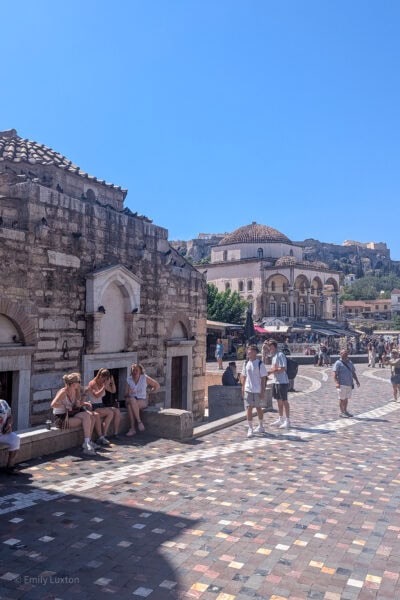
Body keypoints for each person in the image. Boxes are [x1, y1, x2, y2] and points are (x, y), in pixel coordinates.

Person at [51, 372, 97, 455]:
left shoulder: (75, 391)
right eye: (78, 382)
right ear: (73, 384)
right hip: (61, 418)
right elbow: (53, 404)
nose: (80, 384)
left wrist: (85, 396)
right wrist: (65, 405)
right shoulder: (63, 392)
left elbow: (77, 405)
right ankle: (86, 444)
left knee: (91, 416)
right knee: (87, 417)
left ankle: (88, 442)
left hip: (71, 414)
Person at [86, 369, 121, 443]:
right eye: (103, 379)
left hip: (101, 405)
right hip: (94, 406)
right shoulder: (92, 383)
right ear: (99, 376)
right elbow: (96, 395)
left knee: (116, 411)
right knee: (110, 413)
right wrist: (104, 386)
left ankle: (115, 433)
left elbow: (113, 391)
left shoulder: (103, 383)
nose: (103, 381)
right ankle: (103, 435)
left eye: (105, 379)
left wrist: (112, 382)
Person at [125, 363, 160, 436]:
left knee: (130, 405)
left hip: (142, 400)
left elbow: (156, 386)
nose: (134, 372)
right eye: (133, 370)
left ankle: (133, 428)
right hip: (132, 400)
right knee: (131, 401)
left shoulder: (144, 378)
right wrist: (129, 392)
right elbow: (125, 395)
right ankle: (139, 422)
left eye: (136, 370)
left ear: (140, 371)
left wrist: (150, 392)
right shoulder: (129, 379)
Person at [240, 344, 268, 438]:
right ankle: (250, 428)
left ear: (255, 352)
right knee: (249, 408)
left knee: (258, 408)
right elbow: (243, 376)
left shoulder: (260, 364)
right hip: (248, 389)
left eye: (251, 351)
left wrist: (262, 391)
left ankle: (260, 425)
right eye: (248, 351)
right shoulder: (246, 363)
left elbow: (263, 378)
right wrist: (243, 387)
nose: (248, 352)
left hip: (257, 390)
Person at [267, 339, 291, 429]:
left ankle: (288, 420)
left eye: (271, 346)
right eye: (269, 347)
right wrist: (272, 371)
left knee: (285, 401)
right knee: (278, 401)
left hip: (283, 381)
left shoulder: (280, 355)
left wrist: (272, 371)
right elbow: (275, 368)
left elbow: (283, 368)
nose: (269, 348)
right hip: (276, 381)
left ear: (275, 346)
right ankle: (281, 418)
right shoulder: (273, 356)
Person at [332, 349, 360, 418]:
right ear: (340, 354)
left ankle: (345, 411)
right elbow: (334, 374)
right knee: (342, 399)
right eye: (344, 353)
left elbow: (353, 372)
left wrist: (357, 381)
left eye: (346, 353)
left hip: (349, 384)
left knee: (346, 398)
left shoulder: (350, 362)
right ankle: (341, 412)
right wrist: (336, 383)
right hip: (342, 384)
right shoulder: (338, 363)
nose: (345, 354)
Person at [0, 399, 21, 474]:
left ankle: (10, 466)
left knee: (15, 439)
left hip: (3, 433)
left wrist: (9, 425)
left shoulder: (3, 403)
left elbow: (10, 417)